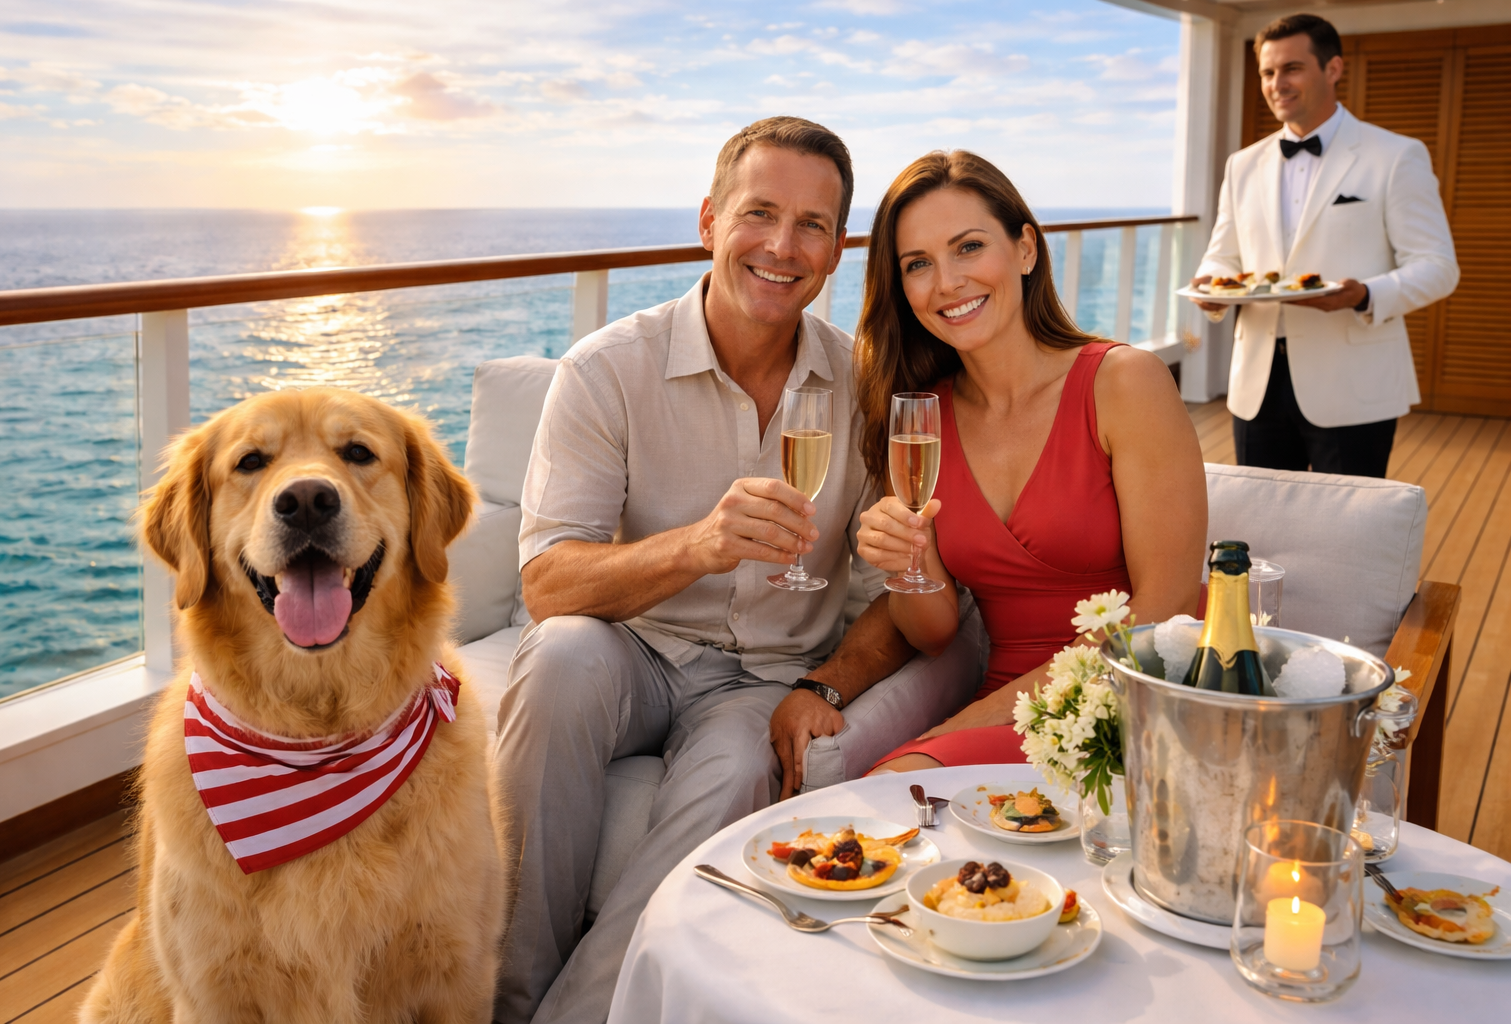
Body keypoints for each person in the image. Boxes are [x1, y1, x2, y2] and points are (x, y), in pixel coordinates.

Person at [493, 117, 925, 1024]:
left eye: (813, 224)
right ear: (708, 220)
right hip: (633, 651)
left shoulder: (866, 385)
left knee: (736, 775)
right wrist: (700, 544)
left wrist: (829, 683)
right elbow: (548, 585)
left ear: (839, 250)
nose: (782, 245)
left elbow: (897, 595)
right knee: (560, 658)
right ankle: (502, 999)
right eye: (758, 213)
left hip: (761, 680)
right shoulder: (608, 371)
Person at [852, 150, 1206, 773]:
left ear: (1025, 249)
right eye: (918, 264)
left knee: (897, 783)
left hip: (1144, 687)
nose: (947, 283)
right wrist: (902, 559)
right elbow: (933, 632)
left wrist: (960, 729)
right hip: (1013, 712)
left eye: (968, 247)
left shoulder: (1125, 383)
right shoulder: (918, 422)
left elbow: (1166, 604)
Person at [1191, 13, 1458, 478]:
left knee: (1349, 536)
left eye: (1291, 68)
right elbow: (1224, 253)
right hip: (1256, 385)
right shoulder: (1242, 164)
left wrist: (1366, 295)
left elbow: (1437, 266)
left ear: (1333, 69)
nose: (1277, 84)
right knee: (1262, 528)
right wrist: (1210, 283)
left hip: (1353, 385)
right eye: (1267, 73)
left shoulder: (1396, 155)